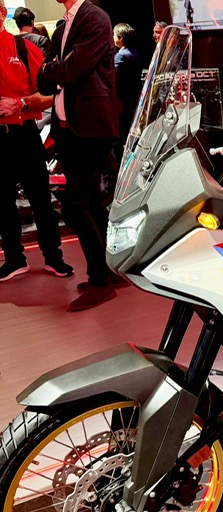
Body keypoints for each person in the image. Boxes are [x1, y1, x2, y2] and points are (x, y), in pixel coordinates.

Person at [38, 0, 123, 311]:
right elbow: (45, 80)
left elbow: (72, 70)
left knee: (76, 204)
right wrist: (54, 70)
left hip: (92, 126)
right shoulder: (63, 27)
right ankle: (108, 272)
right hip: (69, 129)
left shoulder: (95, 17)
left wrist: (52, 69)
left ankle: (100, 280)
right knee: (91, 200)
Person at [0, 0, 73, 282]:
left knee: (40, 198)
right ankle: (14, 259)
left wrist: (19, 104)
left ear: (3, 13)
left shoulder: (23, 48)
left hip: (24, 133)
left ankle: (54, 257)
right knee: (2, 203)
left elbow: (50, 95)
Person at [113, 23, 143, 144]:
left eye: (114, 35)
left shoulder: (120, 56)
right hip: (135, 96)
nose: (112, 37)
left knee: (124, 132)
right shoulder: (136, 53)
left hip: (123, 99)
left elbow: (113, 77)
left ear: (120, 38)